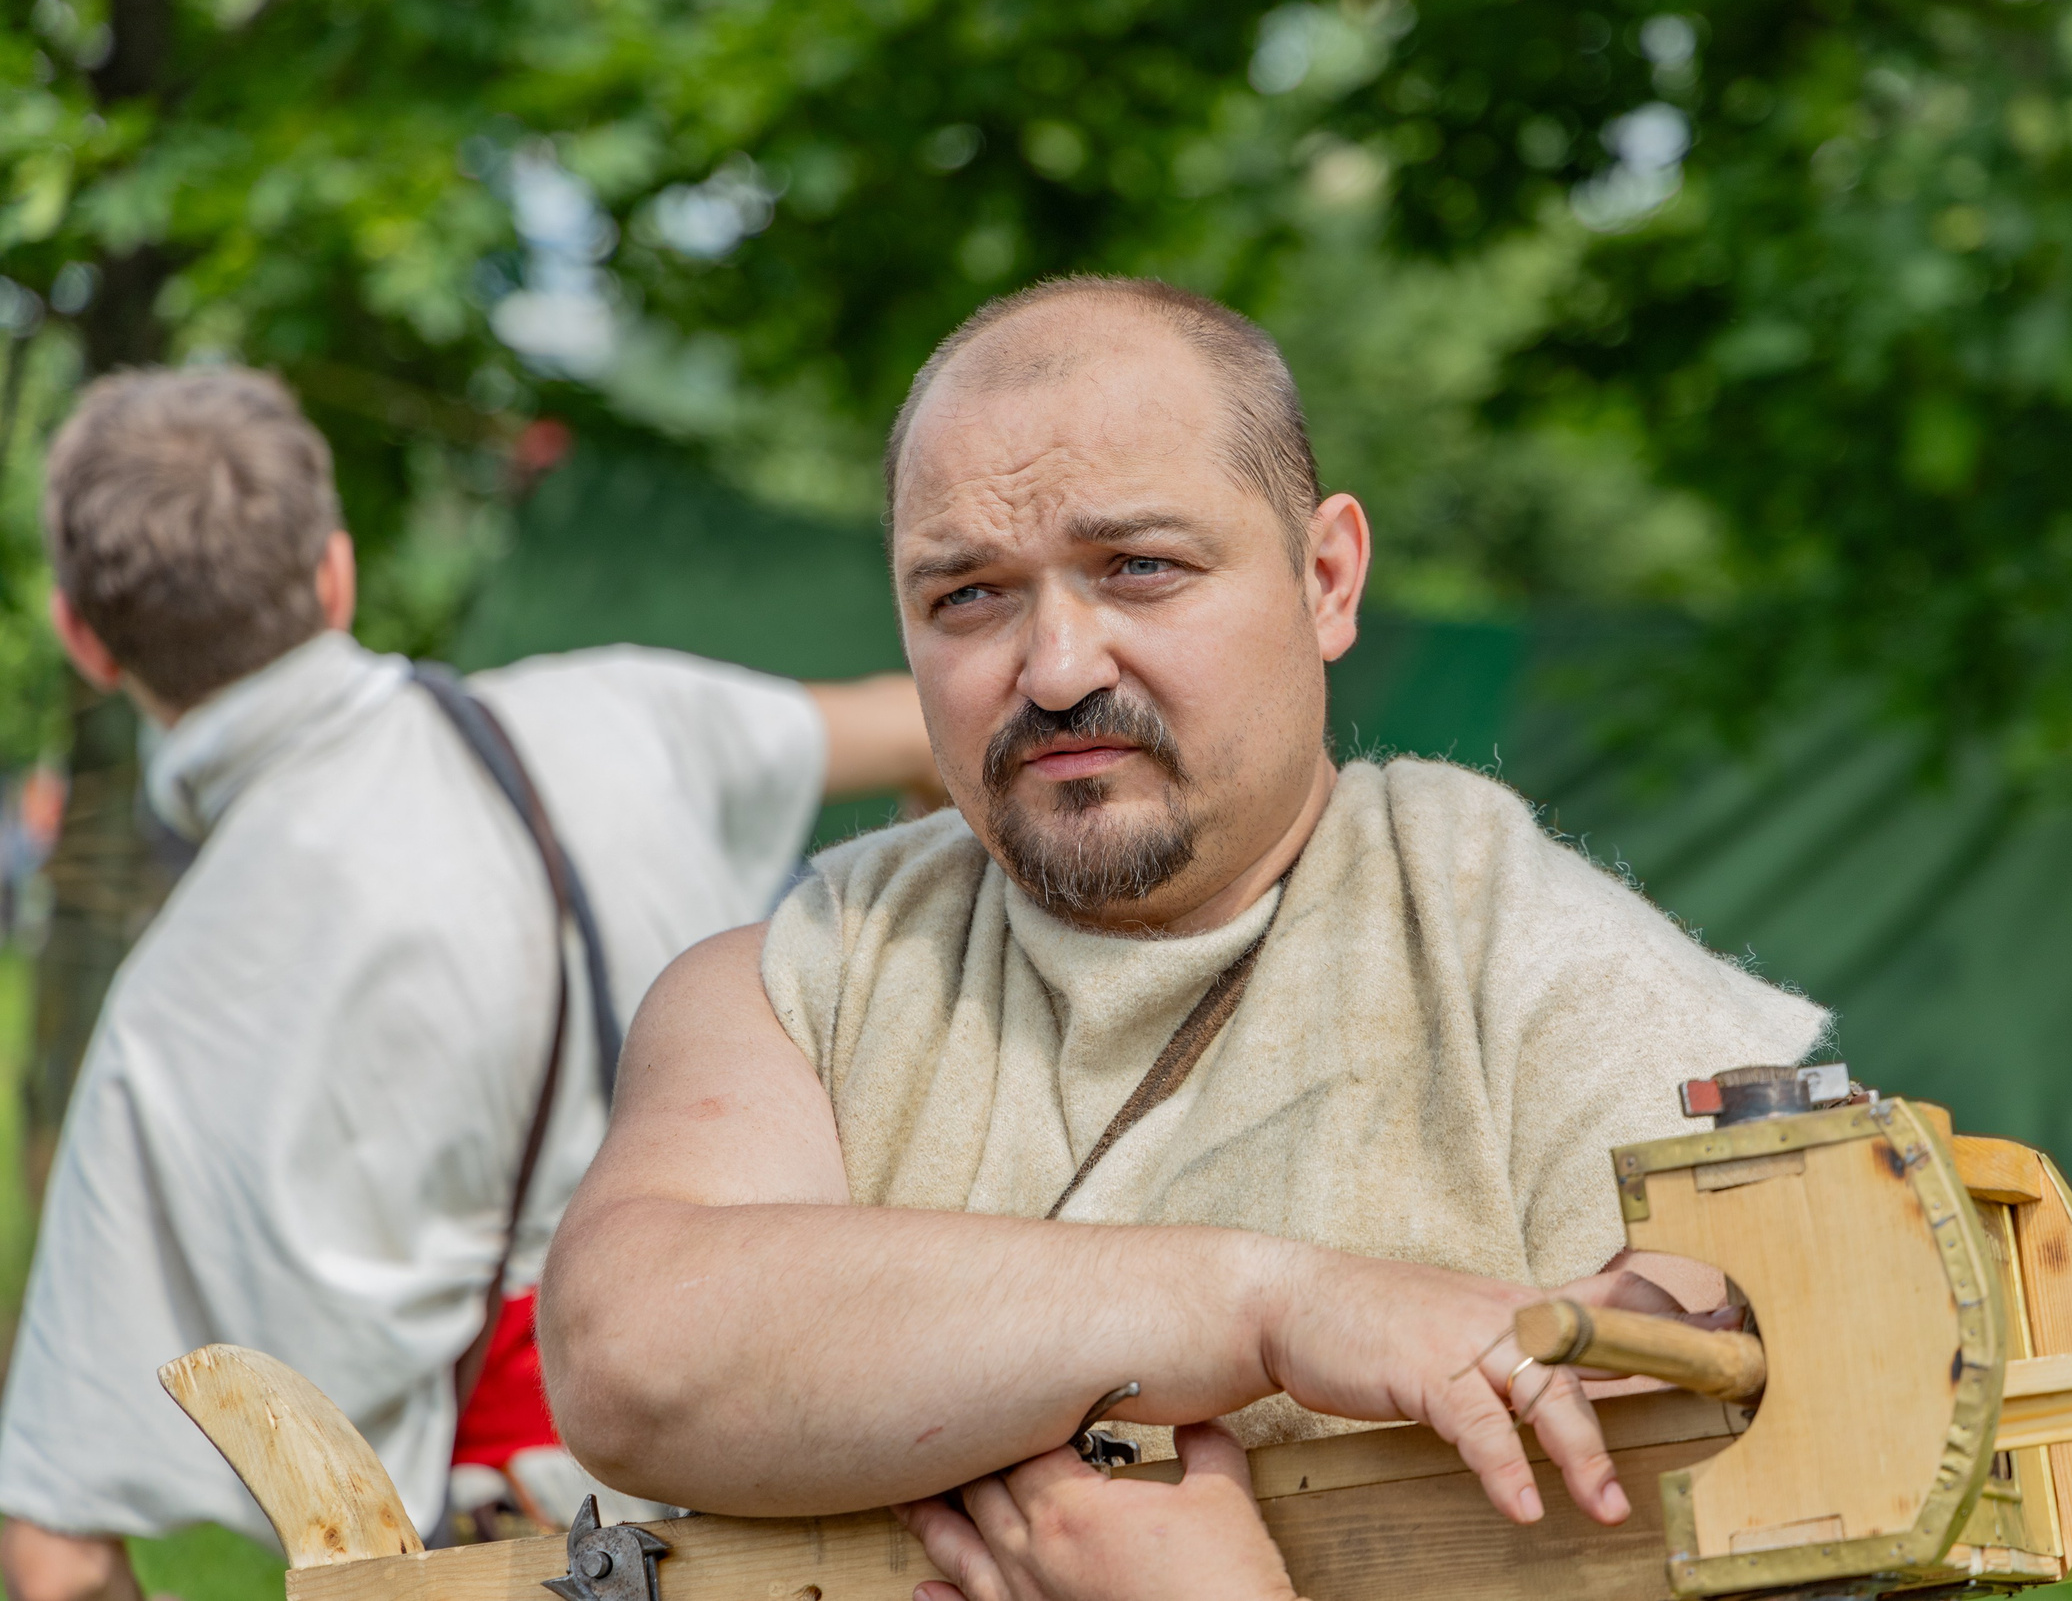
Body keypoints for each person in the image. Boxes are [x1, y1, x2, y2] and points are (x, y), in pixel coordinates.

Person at [541, 274, 1827, 1599]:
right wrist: (1274, 1308)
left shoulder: (1540, 956)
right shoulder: (793, 984)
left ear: (1326, 577)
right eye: (969, 594)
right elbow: (633, 1352)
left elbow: (1742, 1401)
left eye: (1140, 567)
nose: (1053, 668)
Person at [0, 368, 942, 1601]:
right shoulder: (622, 710)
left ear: (82, 635)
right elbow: (935, 727)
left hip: (518, 1562)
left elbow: (55, 1554)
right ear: (334, 572)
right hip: (837, 1477)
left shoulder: (169, 1015)